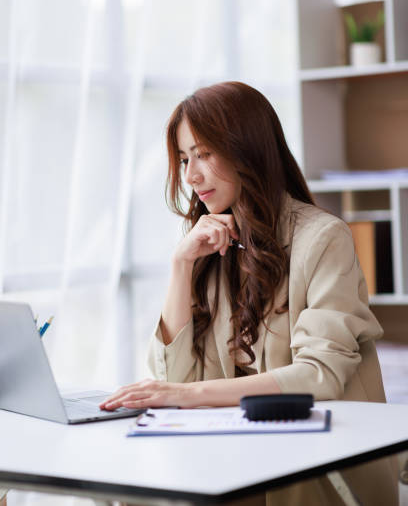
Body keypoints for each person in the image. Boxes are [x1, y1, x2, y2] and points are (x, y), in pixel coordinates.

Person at [101, 81, 398, 505]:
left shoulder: (323, 239)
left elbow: (320, 375)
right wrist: (181, 265)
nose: (190, 176)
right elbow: (172, 381)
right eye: (185, 159)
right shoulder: (210, 245)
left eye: (204, 153)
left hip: (316, 476)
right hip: (234, 467)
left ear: (248, 149)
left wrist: (187, 395)